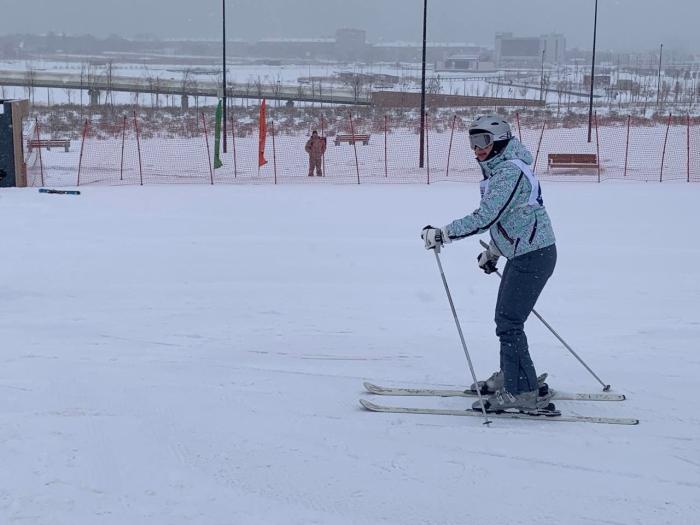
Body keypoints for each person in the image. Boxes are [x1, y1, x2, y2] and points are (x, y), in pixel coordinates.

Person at [420, 115, 557, 415]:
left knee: (508, 322)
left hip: (532, 255)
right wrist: (495, 252)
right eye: (473, 143)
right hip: (525, 252)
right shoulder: (502, 169)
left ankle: (522, 390)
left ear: (501, 140)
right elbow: (511, 217)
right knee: (506, 320)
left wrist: (444, 233)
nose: (477, 149)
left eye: (483, 142)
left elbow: (486, 217)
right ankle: (515, 376)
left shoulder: (509, 172)